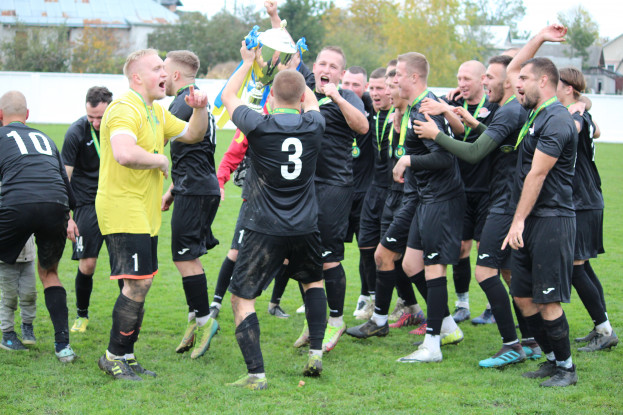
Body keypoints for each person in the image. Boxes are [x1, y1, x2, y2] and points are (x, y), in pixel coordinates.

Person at [415, 54, 538, 367]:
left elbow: (473, 153)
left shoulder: (509, 110)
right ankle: (531, 340)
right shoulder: (511, 111)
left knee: (485, 271)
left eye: (489, 78)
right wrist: (472, 122)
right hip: (507, 199)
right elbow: (500, 144)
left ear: (508, 81)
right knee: (508, 273)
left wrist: (436, 135)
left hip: (503, 202)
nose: (484, 83)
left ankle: (512, 345)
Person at [95, 49, 209, 381]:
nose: (164, 73)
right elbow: (123, 152)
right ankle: (113, 356)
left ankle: (127, 356)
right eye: (157, 68)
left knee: (138, 283)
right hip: (122, 207)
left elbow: (194, 134)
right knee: (139, 282)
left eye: (164, 67)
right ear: (136, 78)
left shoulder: (156, 111)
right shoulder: (124, 107)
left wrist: (199, 109)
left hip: (144, 212)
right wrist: (160, 160)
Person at [222, 43, 327, 390]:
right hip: (306, 225)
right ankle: (315, 353)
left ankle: (257, 374)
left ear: (271, 97)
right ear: (301, 97)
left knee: (242, 298)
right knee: (313, 283)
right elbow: (310, 101)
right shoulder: (315, 124)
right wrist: (296, 70)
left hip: (264, 226)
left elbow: (228, 96)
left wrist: (247, 62)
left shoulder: (258, 125)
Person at [503, 24, 579, 387]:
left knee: (548, 300)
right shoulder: (534, 113)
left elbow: (537, 175)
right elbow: (511, 70)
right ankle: (551, 360)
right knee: (522, 295)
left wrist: (517, 221)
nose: (517, 85)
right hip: (531, 219)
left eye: (525, 80)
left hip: (551, 220)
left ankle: (567, 369)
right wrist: (539, 38)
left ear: (544, 81)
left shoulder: (557, 120)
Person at [293, 46, 369, 353]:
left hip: (334, 186)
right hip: (303, 185)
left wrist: (337, 96)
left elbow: (362, 126)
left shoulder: (347, 97)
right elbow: (290, 54)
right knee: (299, 255)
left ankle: (336, 321)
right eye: (322, 63)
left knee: (327, 256)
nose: (326, 69)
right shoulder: (304, 91)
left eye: (333, 66)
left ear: (342, 73)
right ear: (314, 67)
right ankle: (315, 322)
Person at [391, 52, 465, 363]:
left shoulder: (425, 110)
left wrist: (407, 159)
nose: (394, 79)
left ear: (414, 77)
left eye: (398, 73)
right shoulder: (420, 105)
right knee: (411, 265)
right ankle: (447, 326)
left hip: (442, 200)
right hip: (426, 198)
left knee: (435, 269)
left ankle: (432, 345)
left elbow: (445, 157)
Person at [0, 90, 77, 363]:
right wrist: (68, 218)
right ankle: (63, 347)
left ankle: (8, 330)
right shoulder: (45, 138)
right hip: (56, 205)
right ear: (28, 115)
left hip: (17, 205)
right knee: (49, 273)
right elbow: (66, 187)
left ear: (0, 115)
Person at [419, 60, 497, 323]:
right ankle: (462, 303)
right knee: (461, 248)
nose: (461, 84)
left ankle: (492, 306)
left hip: (488, 190)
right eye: (459, 78)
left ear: (482, 80)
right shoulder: (448, 103)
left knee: (486, 250)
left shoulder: (494, 106)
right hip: (460, 189)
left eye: (467, 79)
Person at [160, 50, 220, 359]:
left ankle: (205, 321)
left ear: (175, 75)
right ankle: (194, 319)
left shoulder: (183, 102)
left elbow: (159, 140)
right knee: (188, 256)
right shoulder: (194, 101)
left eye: (163, 70)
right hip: (196, 187)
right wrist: (172, 190)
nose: (160, 76)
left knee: (184, 258)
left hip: (196, 190)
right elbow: (194, 154)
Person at [556, 67, 617, 352]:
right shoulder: (579, 111)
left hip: (582, 201)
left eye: (556, 83)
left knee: (575, 267)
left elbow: (578, 128)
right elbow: (597, 130)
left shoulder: (576, 117)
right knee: (583, 265)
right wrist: (582, 105)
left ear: (568, 88)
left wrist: (578, 111)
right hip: (588, 198)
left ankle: (605, 330)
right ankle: (601, 326)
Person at [62, 86, 113, 333]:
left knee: (123, 264)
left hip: (115, 202)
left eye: (100, 117)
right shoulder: (76, 132)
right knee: (88, 264)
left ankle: (126, 316)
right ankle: (82, 315)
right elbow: (65, 178)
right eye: (91, 117)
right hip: (86, 203)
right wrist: (67, 216)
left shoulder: (119, 128)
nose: (96, 122)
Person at [341, 66, 376, 317]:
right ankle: (316, 295)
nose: (351, 89)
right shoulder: (332, 104)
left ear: (365, 88)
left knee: (366, 249)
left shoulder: (372, 107)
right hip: (338, 191)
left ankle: (367, 297)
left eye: (356, 85)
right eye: (347, 83)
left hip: (365, 192)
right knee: (327, 247)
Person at [0, 235, 36, 351]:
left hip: (28, 258)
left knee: (29, 295)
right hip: (5, 260)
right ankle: (8, 335)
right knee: (9, 299)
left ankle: (27, 327)